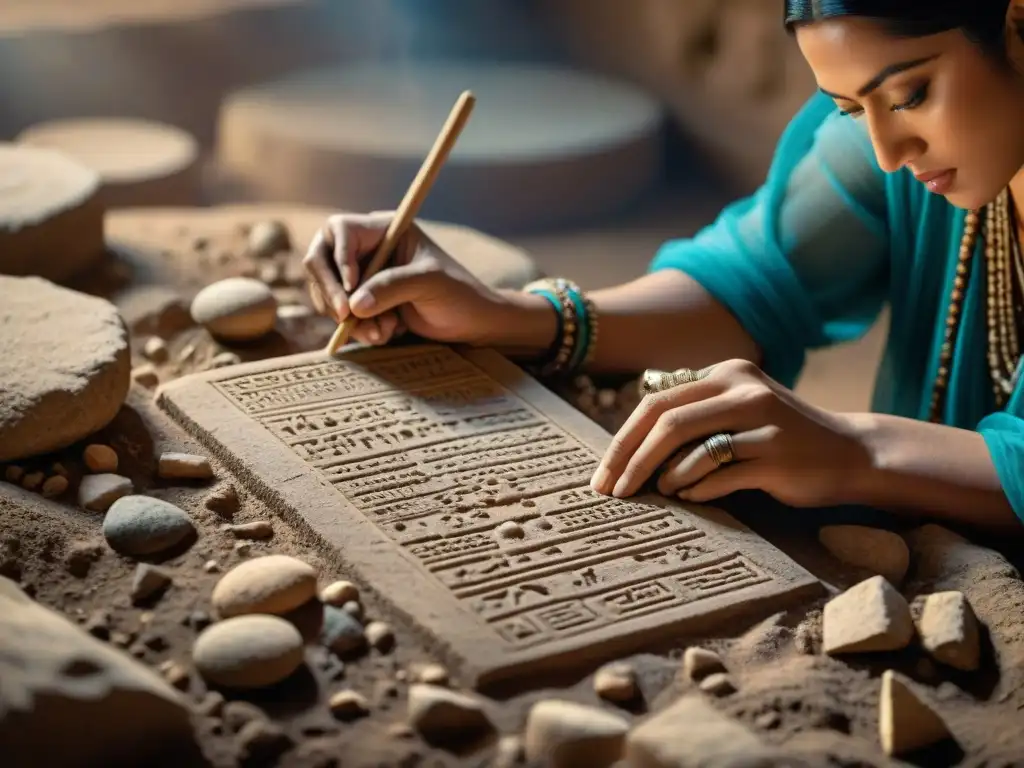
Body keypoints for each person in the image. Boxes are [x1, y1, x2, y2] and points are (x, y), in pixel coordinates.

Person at [302, 1, 1024, 536]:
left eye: (909, 96)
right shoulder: (903, 151)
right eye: (848, 108)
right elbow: (754, 279)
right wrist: (511, 315)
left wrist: (855, 450)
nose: (889, 151)